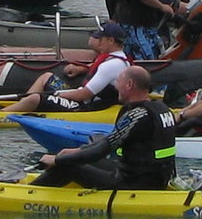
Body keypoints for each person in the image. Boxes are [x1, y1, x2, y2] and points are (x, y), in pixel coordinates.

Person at [32, 66, 176, 191]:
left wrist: (57, 160)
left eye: (119, 82)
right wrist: (77, 151)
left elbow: (101, 151)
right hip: (156, 178)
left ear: (129, 84)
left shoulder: (136, 116)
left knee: (66, 165)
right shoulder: (162, 109)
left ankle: (31, 192)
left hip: (133, 183)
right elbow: (109, 141)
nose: (116, 86)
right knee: (87, 147)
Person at [9, 23, 130, 114]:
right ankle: (22, 105)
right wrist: (80, 69)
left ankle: (3, 114)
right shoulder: (115, 59)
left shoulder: (111, 65)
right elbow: (95, 70)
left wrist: (58, 96)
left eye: (100, 39)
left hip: (84, 106)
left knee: (36, 98)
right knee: (46, 78)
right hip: (82, 98)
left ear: (111, 41)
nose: (98, 43)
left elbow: (84, 95)